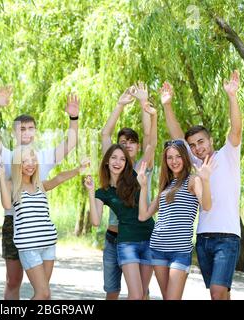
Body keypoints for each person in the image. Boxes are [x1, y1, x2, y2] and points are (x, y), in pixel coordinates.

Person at [0, 86, 80, 299]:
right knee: (13, 281)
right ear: (14, 132)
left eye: (31, 128)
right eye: (22, 129)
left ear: (35, 131)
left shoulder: (44, 157)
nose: (27, 133)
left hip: (37, 226)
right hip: (14, 223)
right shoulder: (8, 155)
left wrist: (73, 117)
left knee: (43, 289)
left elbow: (70, 143)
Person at [160, 70, 242, 300]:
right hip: (204, 238)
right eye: (193, 145)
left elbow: (236, 130)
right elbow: (176, 136)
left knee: (217, 293)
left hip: (227, 236)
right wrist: (167, 105)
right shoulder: (195, 163)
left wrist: (232, 96)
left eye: (201, 142)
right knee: (221, 293)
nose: (197, 148)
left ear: (210, 140)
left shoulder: (228, 154)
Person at [0, 146, 90, 300]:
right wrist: (0, 176)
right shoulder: (13, 185)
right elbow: (6, 204)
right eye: (25, 160)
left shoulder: (40, 185)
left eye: (33, 159)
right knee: (43, 293)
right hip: (29, 247)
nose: (30, 163)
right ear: (18, 164)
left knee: (46, 295)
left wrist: (79, 169)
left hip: (48, 245)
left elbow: (59, 178)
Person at [98, 82, 155, 300]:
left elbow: (150, 138)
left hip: (141, 237)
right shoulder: (114, 169)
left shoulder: (143, 168)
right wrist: (120, 105)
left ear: (137, 147)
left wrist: (143, 103)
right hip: (114, 239)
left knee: (141, 293)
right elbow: (105, 135)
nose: (128, 145)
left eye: (132, 142)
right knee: (112, 292)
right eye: (123, 142)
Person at [136, 141, 214, 299]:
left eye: (178, 156)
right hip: (158, 248)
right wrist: (143, 187)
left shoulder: (193, 180)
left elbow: (206, 205)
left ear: (185, 158)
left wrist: (205, 180)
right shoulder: (166, 186)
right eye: (169, 157)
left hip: (180, 251)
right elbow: (143, 215)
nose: (174, 161)